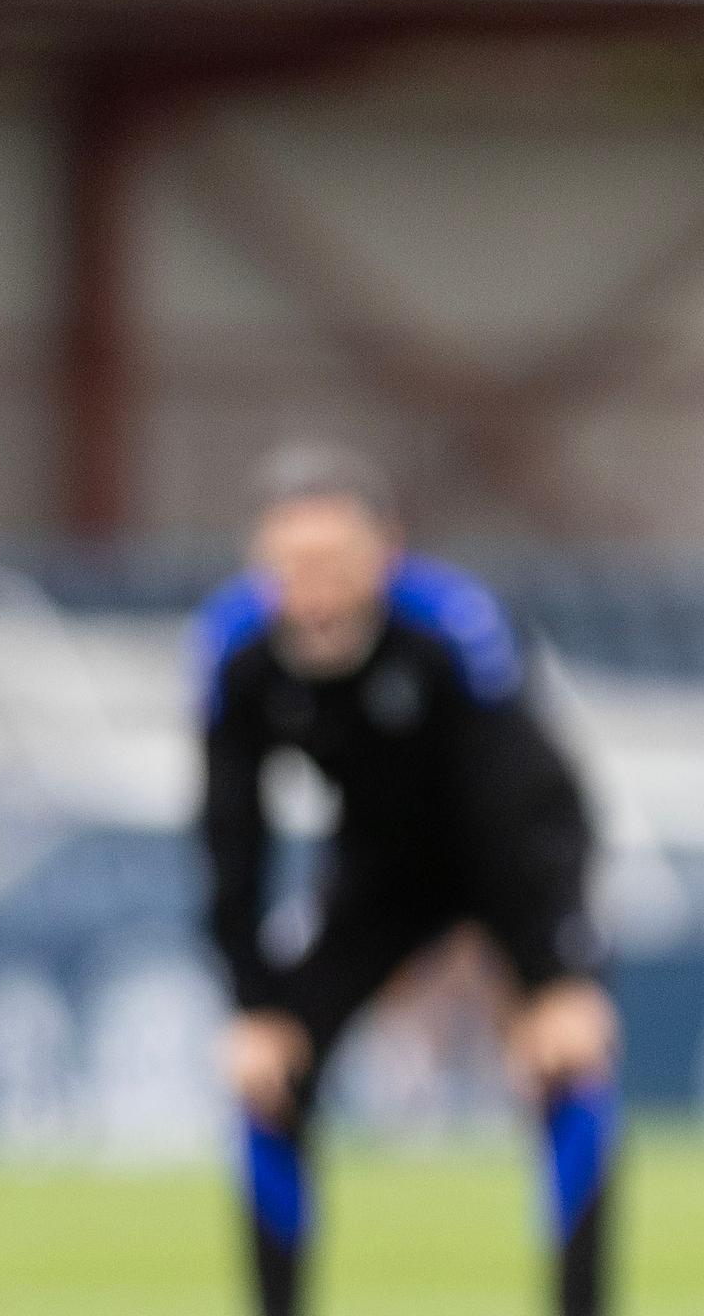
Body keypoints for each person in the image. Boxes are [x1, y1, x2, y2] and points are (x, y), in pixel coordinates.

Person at [191, 444, 617, 1316]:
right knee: (272, 1075)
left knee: (570, 1067)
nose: (312, 594)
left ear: (384, 554)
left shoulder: (452, 629)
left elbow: (523, 805)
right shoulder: (234, 652)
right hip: (379, 875)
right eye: (290, 569)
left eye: (332, 566)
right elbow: (233, 836)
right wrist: (252, 1002)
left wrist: (557, 974)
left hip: (510, 864)